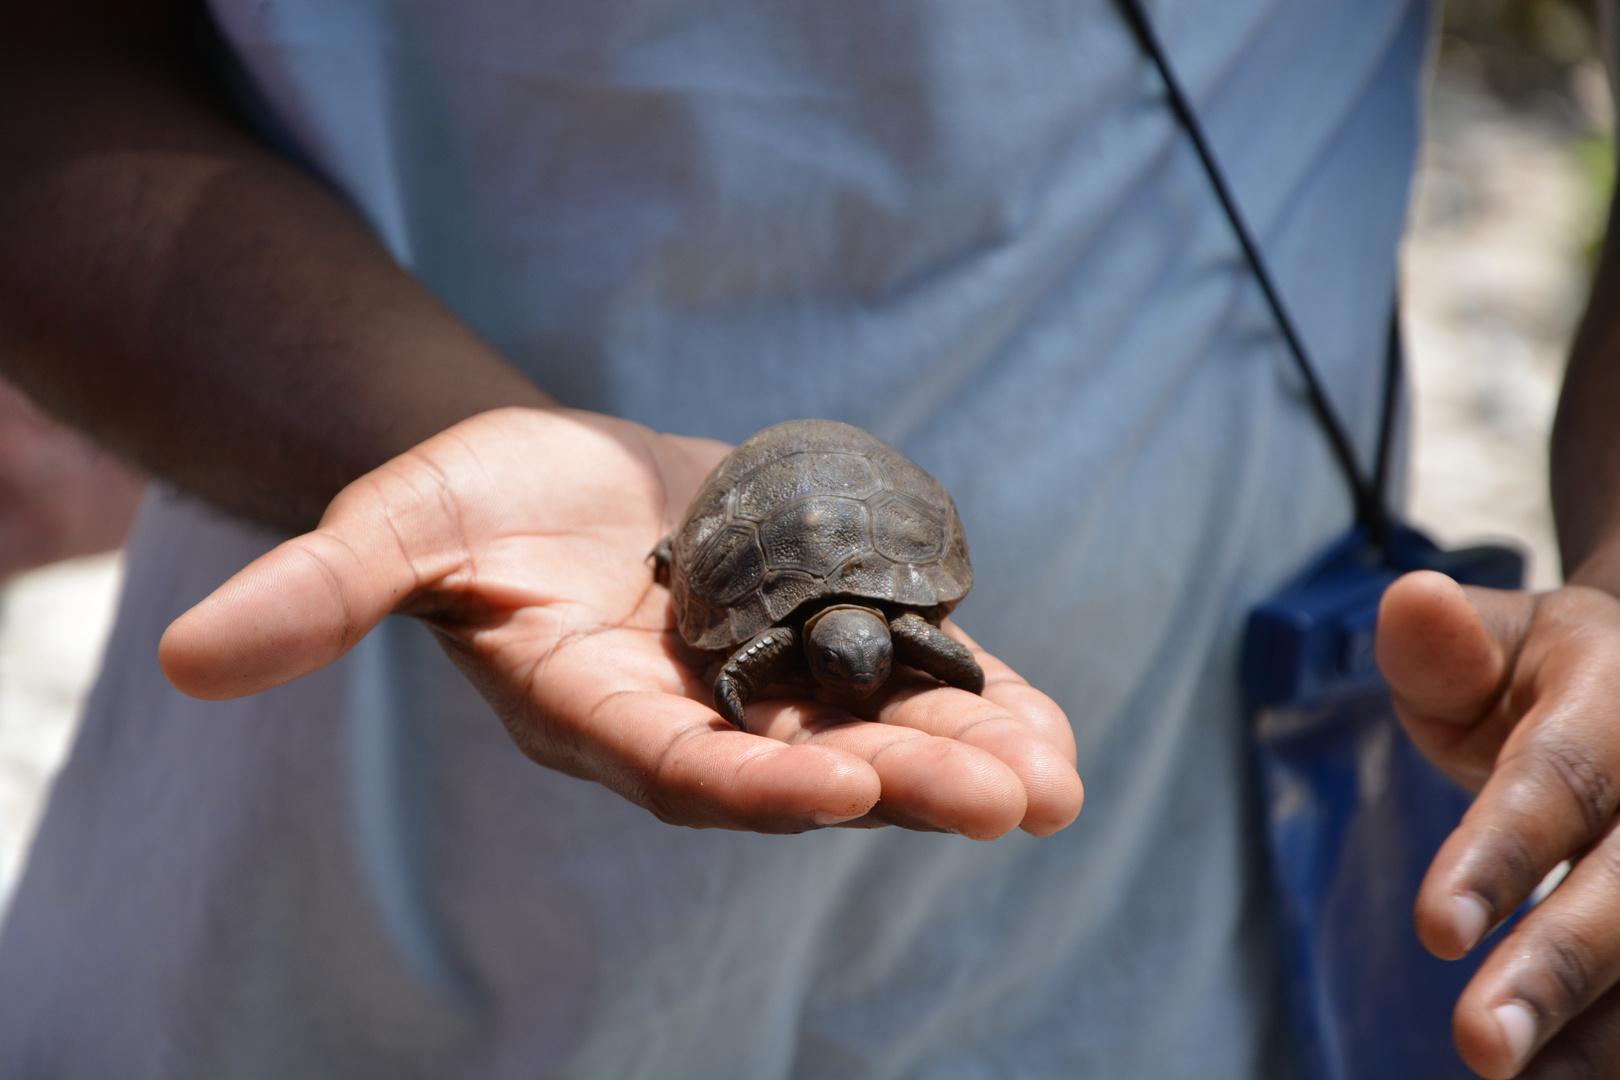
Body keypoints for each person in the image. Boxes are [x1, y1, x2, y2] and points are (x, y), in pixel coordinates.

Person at [1, 0, 1618, 1076]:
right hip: (334, 938)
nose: (854, 660)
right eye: (842, 648)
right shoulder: (794, 644)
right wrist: (417, 442)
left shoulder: (879, 639)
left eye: (875, 644)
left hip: (1177, 934)